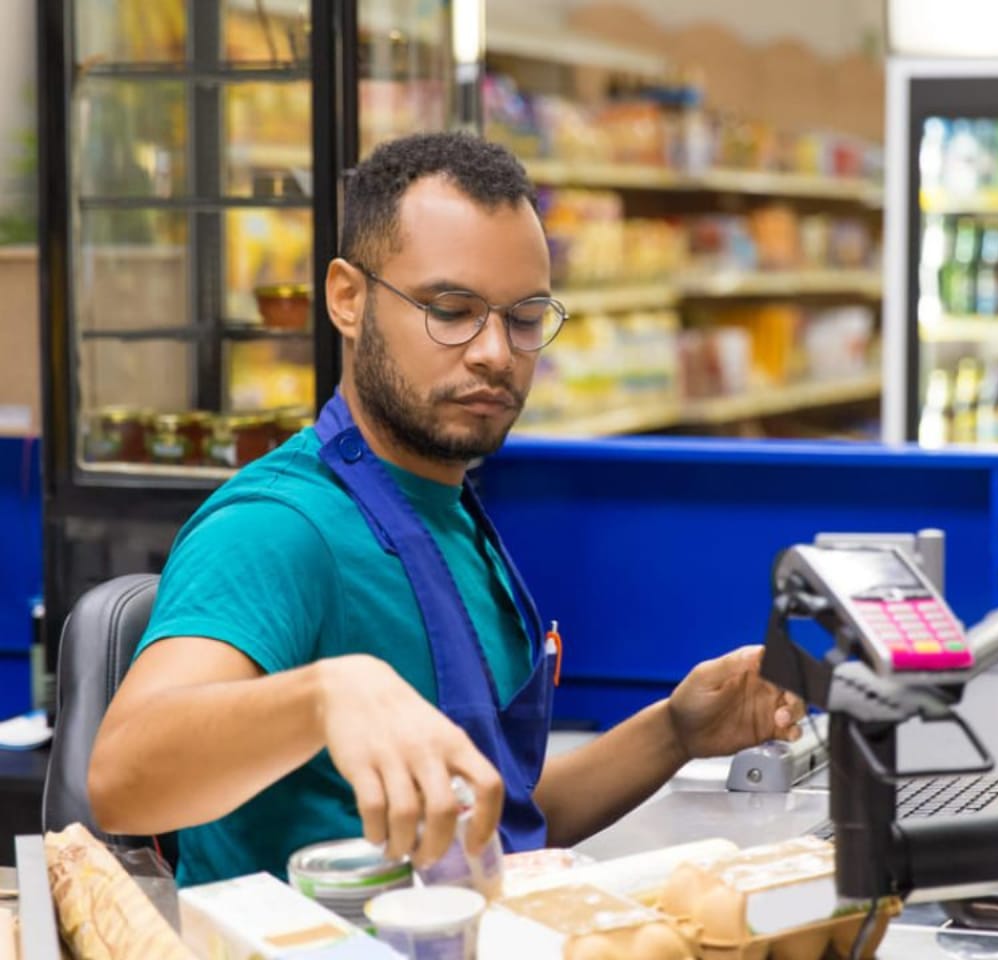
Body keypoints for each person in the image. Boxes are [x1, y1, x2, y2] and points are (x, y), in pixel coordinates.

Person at [87, 132, 804, 887]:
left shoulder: (450, 513)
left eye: (523, 318)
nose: (495, 351)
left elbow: (498, 823)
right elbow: (122, 774)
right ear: (348, 299)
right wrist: (324, 696)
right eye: (451, 309)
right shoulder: (280, 530)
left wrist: (675, 731)